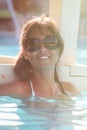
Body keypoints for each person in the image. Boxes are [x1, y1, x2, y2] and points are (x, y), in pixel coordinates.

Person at [0, 15, 80, 99]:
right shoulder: (18, 90)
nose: (43, 49)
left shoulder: (69, 90)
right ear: (25, 53)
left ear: (59, 50)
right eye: (34, 44)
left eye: (50, 42)